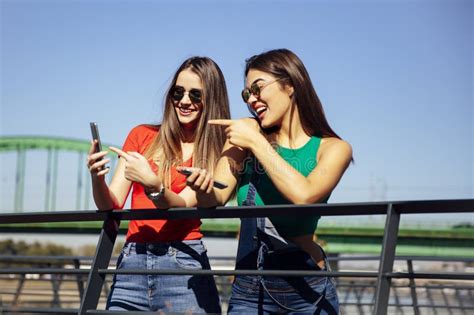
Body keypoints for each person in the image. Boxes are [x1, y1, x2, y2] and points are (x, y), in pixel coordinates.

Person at [183, 49, 352, 314]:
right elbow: (215, 196)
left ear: (291, 85)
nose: (251, 100)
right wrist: (201, 186)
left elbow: (304, 195)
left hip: (308, 290)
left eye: (258, 88)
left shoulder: (333, 149)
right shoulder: (244, 139)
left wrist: (256, 142)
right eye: (246, 94)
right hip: (250, 289)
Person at [86, 56, 230, 313]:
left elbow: (183, 203)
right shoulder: (141, 135)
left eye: (196, 95)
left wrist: (154, 186)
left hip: (183, 263)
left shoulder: (216, 149)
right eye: (178, 92)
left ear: (212, 100)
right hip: (132, 261)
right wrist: (97, 178)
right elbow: (111, 203)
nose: (184, 101)